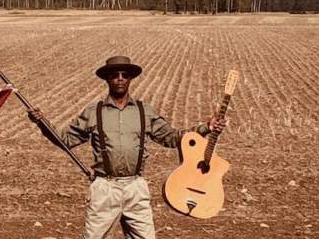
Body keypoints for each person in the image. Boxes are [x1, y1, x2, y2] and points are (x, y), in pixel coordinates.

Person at [27, 56, 227, 239]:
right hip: (104, 188)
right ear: (107, 79)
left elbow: (172, 138)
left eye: (125, 75)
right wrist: (42, 122)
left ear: (131, 79)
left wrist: (206, 128)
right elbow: (66, 140)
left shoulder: (144, 111)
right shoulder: (93, 112)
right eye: (114, 75)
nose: (120, 79)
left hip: (136, 187)